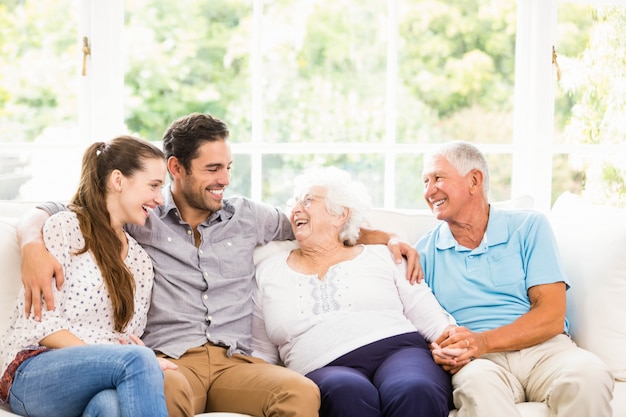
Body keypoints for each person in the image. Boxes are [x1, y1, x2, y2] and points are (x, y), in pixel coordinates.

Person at [17, 113, 421, 417]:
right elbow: (68, 209)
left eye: (228, 167)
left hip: (236, 362)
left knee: (300, 392)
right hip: (174, 359)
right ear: (176, 168)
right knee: (159, 390)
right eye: (212, 169)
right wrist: (33, 244)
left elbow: (314, 225)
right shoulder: (143, 213)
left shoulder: (247, 215)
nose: (224, 179)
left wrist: (388, 237)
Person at [415, 141, 614, 417]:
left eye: (437, 178)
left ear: (474, 180)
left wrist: (483, 341)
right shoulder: (423, 253)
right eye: (425, 182)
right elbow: (422, 323)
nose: (429, 191)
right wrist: (441, 349)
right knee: (477, 387)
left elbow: (552, 315)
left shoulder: (529, 227)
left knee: (589, 376)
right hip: (480, 363)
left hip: (544, 351)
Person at [252, 166, 456, 417]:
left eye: (307, 201)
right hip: (322, 366)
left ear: (340, 215)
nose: (295, 209)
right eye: (293, 203)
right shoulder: (267, 271)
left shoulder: (383, 255)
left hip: (400, 350)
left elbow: (433, 320)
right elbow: (260, 353)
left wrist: (456, 342)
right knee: (346, 393)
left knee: (414, 388)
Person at [0, 136, 170, 417]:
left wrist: (124, 351)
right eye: (153, 186)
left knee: (110, 406)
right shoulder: (64, 227)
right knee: (140, 360)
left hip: (94, 377)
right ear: (118, 180)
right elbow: (44, 326)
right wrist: (123, 357)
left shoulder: (140, 261)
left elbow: (125, 336)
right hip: (34, 371)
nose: (159, 199)